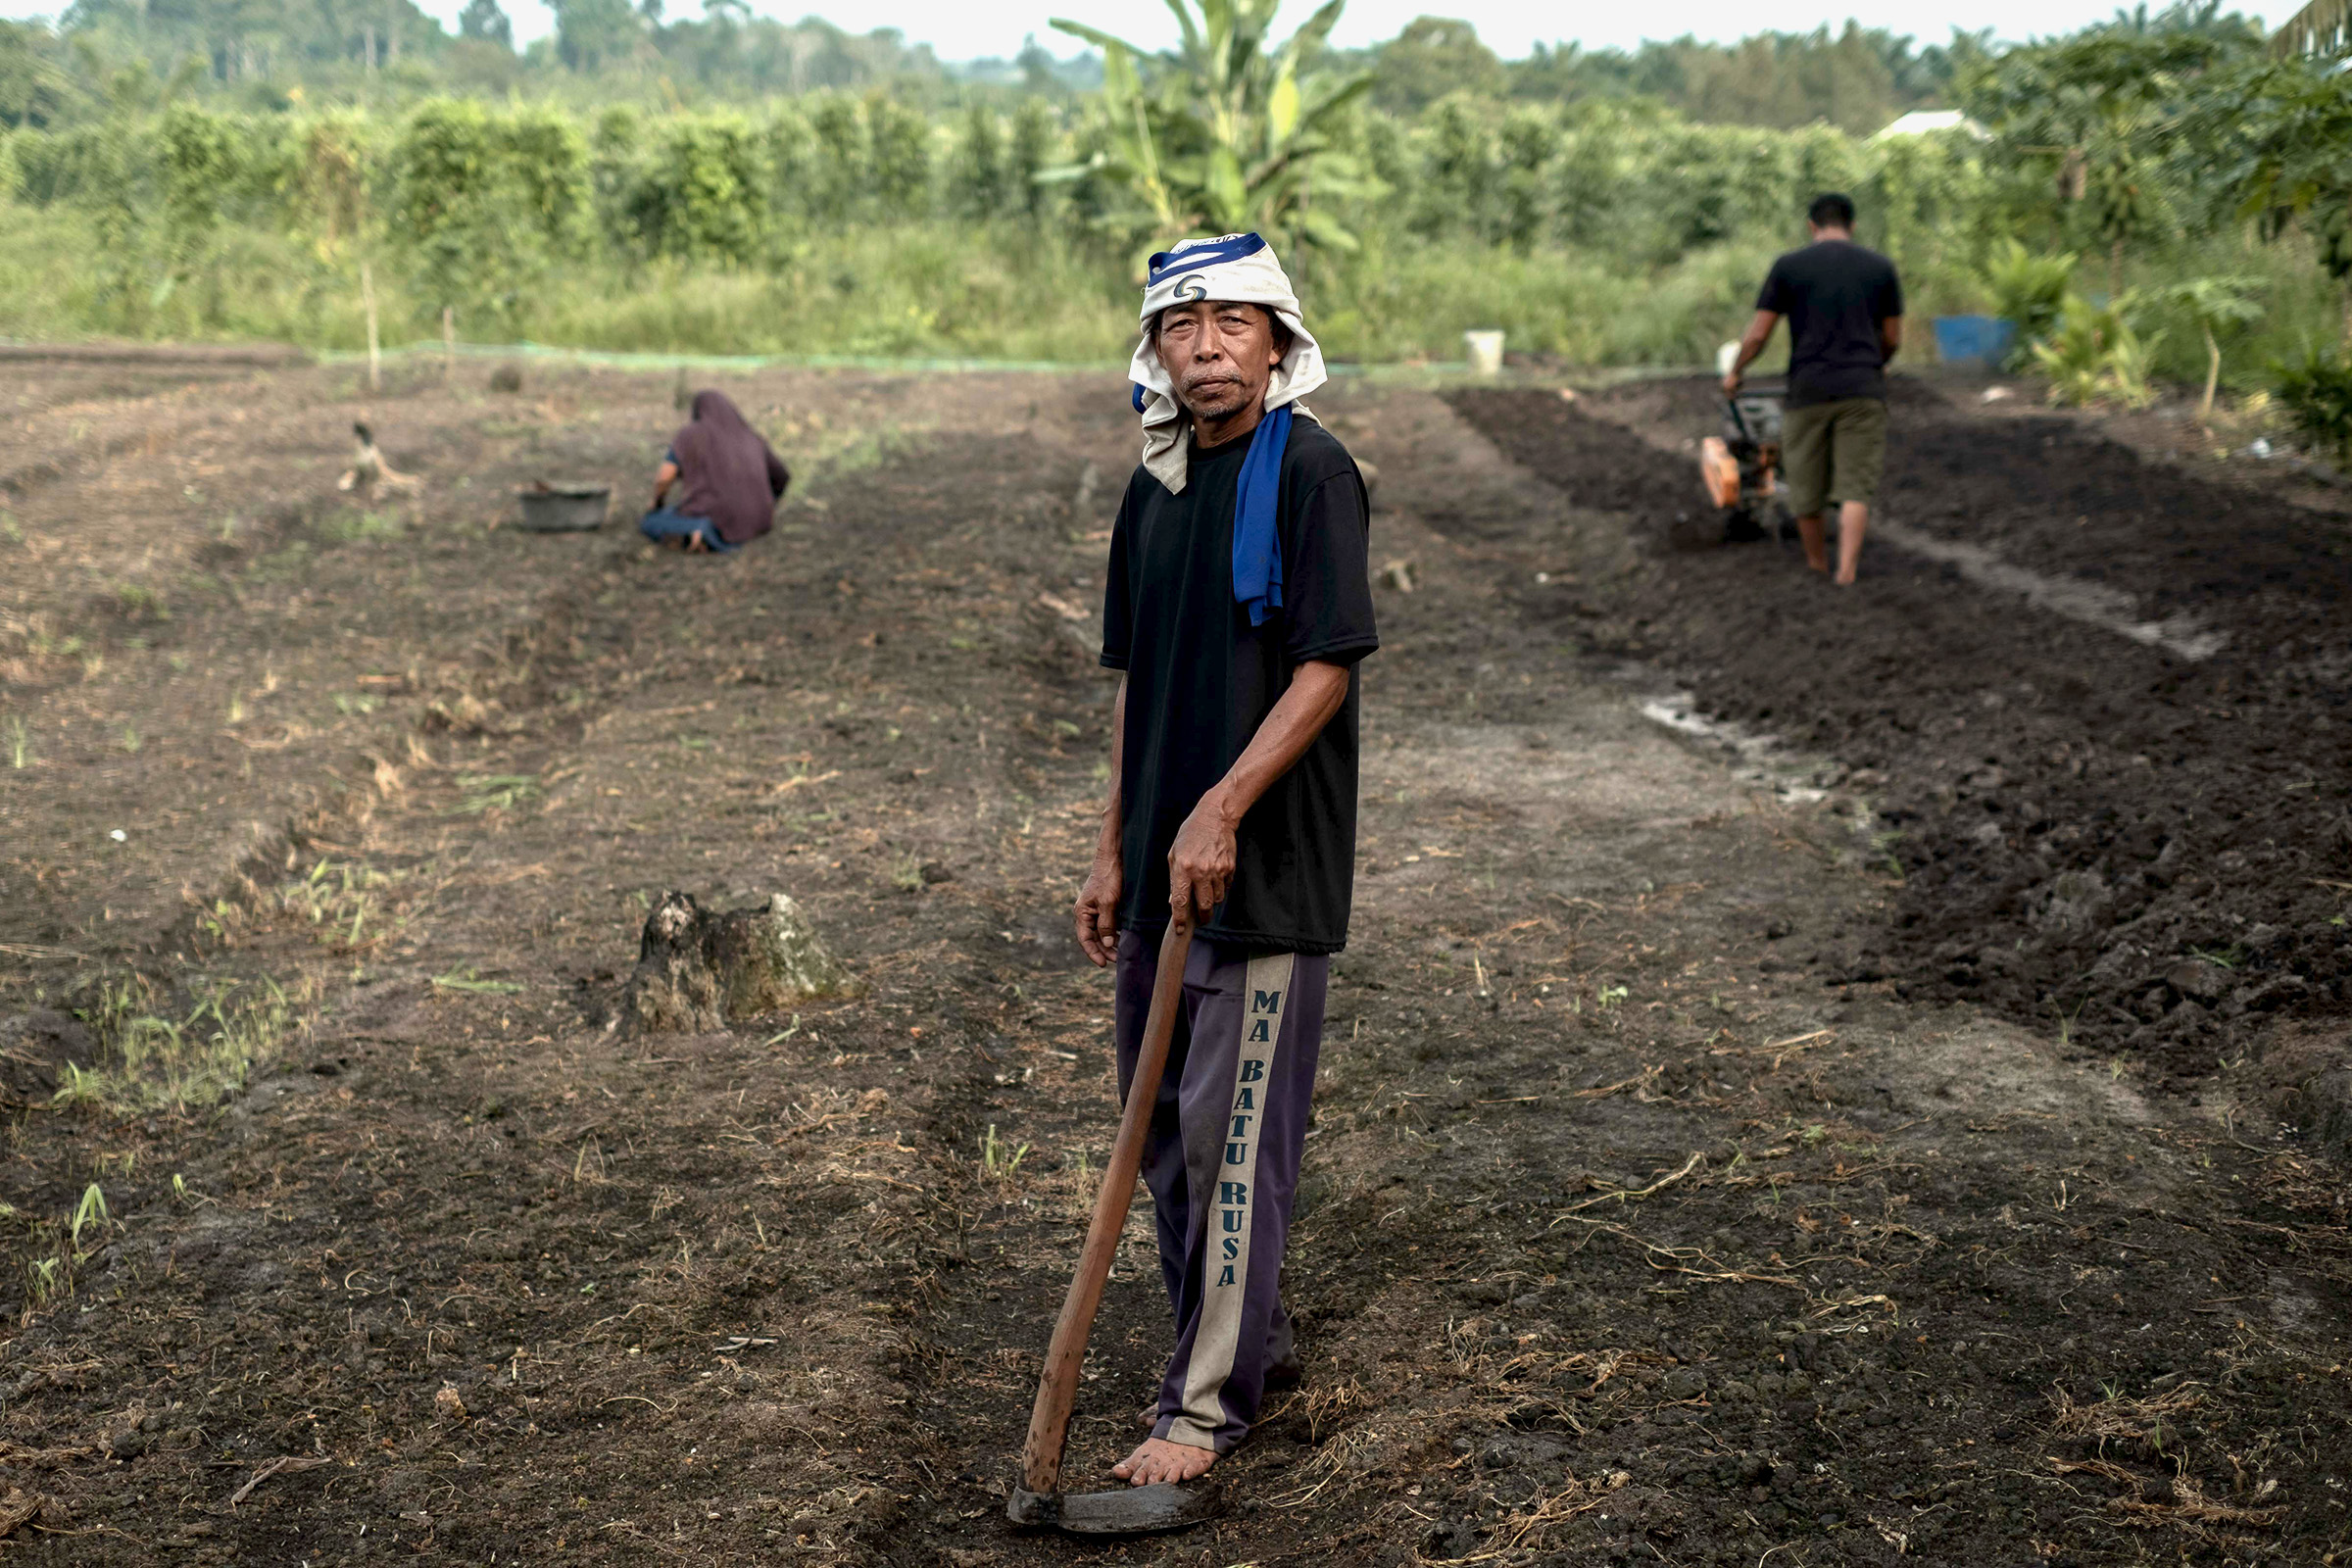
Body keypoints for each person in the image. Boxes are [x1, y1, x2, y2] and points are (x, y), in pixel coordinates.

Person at [1073, 232, 1379, 1490]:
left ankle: (1201, 1412)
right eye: (1182, 329)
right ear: (1154, 352)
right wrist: (1113, 846)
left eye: (1232, 325)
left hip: (1262, 877)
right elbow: (1138, 682)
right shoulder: (1155, 489)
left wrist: (1222, 809)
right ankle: (1251, 1336)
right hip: (1162, 875)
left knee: (1232, 1138)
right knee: (1163, 1142)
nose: (1208, 347)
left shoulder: (1310, 472)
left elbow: (1325, 663)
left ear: (1277, 341)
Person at [1722, 192, 1903, 586]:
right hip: (1862, 391)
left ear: (1812, 225)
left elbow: (1758, 335)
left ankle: (1817, 565)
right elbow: (1891, 337)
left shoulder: (1789, 266)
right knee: (1856, 486)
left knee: (1805, 486)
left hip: (1808, 392)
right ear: (1852, 226)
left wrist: (1736, 372)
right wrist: (1878, 363)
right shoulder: (1880, 267)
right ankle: (1847, 571)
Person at [640, 390, 790, 554]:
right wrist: (766, 502)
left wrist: (657, 502)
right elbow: (782, 476)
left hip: (718, 517)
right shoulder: (751, 437)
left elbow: (664, 478)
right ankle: (700, 530)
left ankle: (698, 531)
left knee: (652, 521)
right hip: (760, 521)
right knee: (680, 511)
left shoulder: (690, 435)